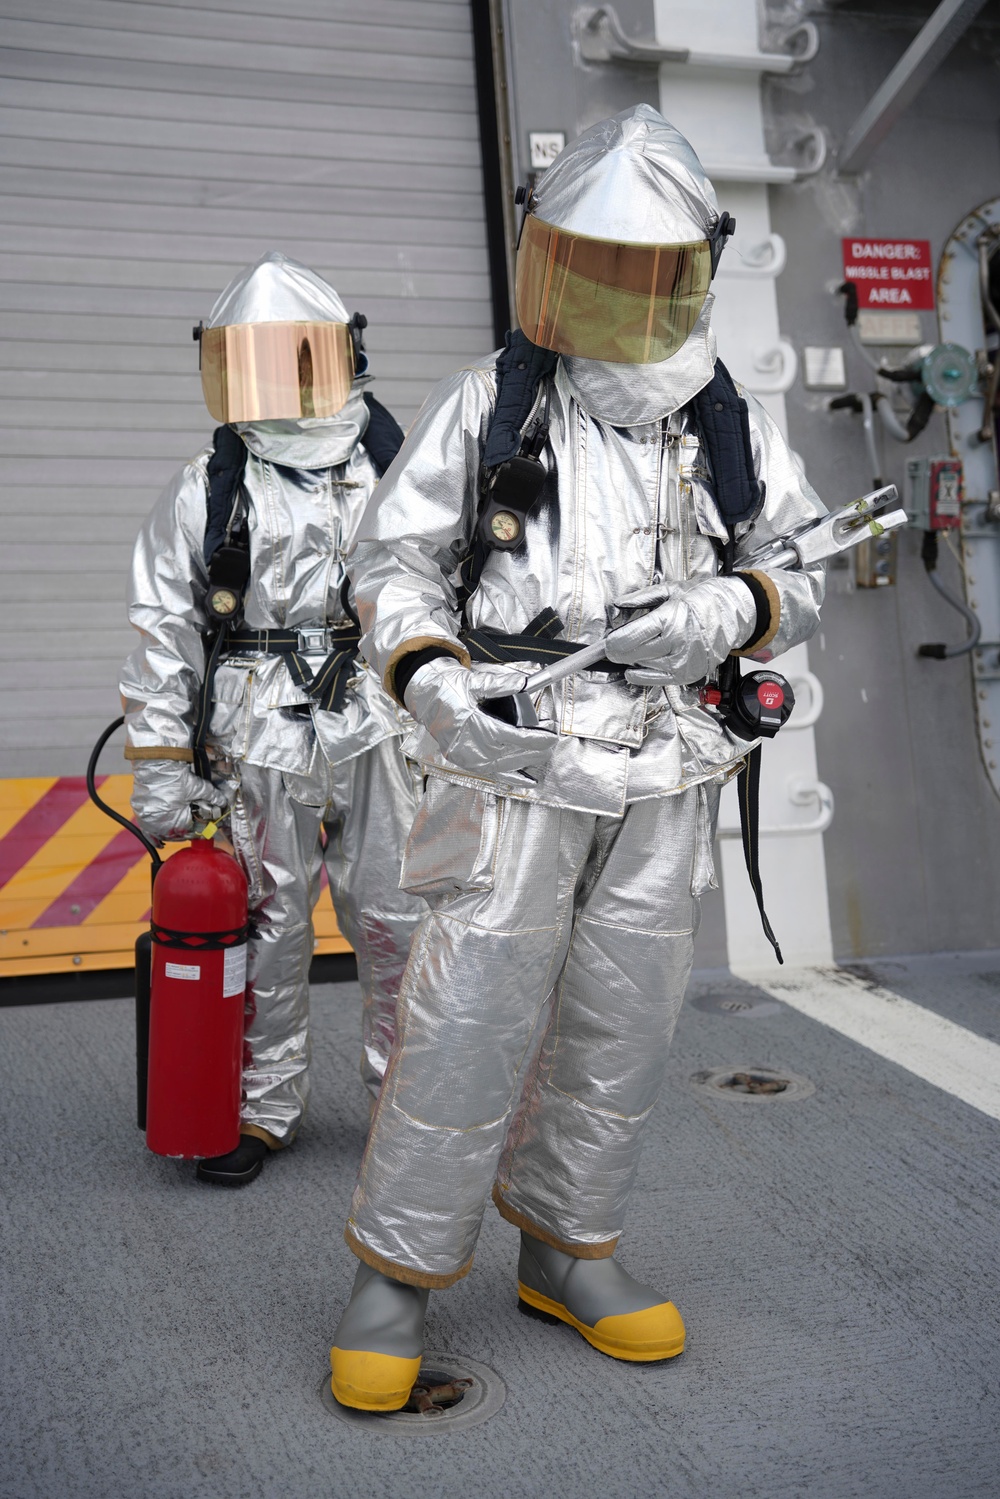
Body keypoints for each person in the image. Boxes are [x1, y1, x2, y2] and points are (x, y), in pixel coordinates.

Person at [329, 105, 827, 1411]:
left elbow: (797, 561)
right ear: (549, 263)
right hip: (508, 763)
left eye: (634, 272)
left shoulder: (726, 421)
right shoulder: (491, 405)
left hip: (663, 775)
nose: (603, 299)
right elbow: (390, 563)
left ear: (691, 273)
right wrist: (431, 681)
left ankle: (566, 1245)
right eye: (581, 266)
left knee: (622, 1024)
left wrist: (729, 611)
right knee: (464, 1016)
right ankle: (396, 1274)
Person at [120, 251, 426, 1187]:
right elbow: (164, 630)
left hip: (377, 724)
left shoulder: (400, 472)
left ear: (335, 357)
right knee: (266, 927)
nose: (275, 385)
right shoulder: (206, 491)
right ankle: (259, 1107)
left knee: (400, 921)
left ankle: (409, 1115)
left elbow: (451, 592)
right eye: (253, 363)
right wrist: (165, 771)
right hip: (255, 734)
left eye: (294, 359)